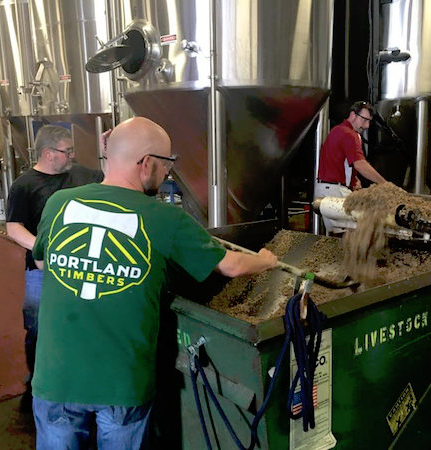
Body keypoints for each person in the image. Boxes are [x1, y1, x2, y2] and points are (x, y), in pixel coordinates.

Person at [31, 117, 278, 450]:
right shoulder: (166, 218)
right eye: (166, 166)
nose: (166, 174)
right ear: (146, 164)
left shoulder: (59, 204)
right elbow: (231, 266)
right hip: (122, 385)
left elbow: (43, 260)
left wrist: (90, 269)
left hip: (55, 378)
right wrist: (266, 260)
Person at [5, 124, 104, 412]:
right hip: (41, 270)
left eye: (72, 149)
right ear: (48, 153)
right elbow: (14, 227)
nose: (72, 155)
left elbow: (111, 183)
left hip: (81, 267)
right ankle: (36, 380)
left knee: (82, 322)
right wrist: (44, 249)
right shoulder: (24, 185)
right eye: (67, 150)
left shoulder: (83, 174)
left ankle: (80, 375)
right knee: (38, 327)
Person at [315, 101, 387, 233]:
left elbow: (339, 162)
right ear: (353, 115)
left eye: (369, 121)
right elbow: (360, 164)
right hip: (334, 191)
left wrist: (354, 180)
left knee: (345, 233)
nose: (366, 126)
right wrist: (385, 184)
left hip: (328, 188)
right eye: (364, 120)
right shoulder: (349, 134)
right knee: (353, 234)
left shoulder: (338, 130)